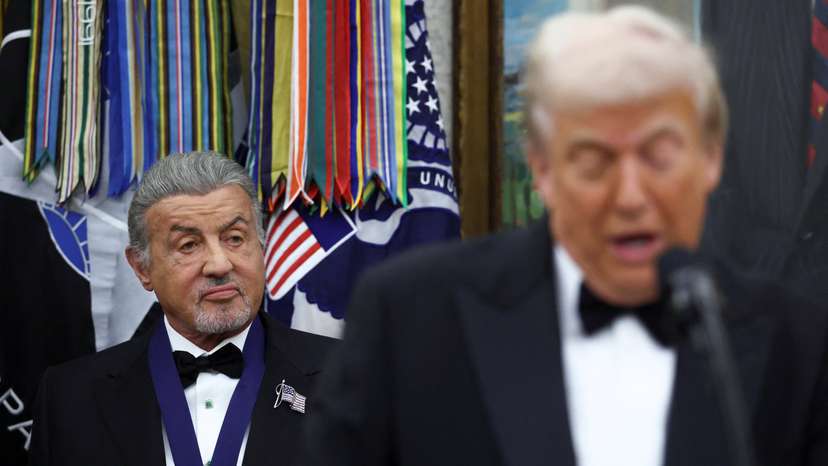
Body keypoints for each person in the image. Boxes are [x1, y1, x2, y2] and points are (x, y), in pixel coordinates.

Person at [300, 6, 828, 466]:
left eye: (659, 156)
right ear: (543, 168)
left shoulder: (791, 342)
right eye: (594, 161)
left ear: (711, 159)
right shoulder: (411, 320)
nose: (630, 196)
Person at [28, 152, 337, 466]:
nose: (219, 264)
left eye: (234, 238)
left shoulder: (356, 379)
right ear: (141, 268)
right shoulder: (69, 399)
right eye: (188, 245)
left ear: (261, 246)